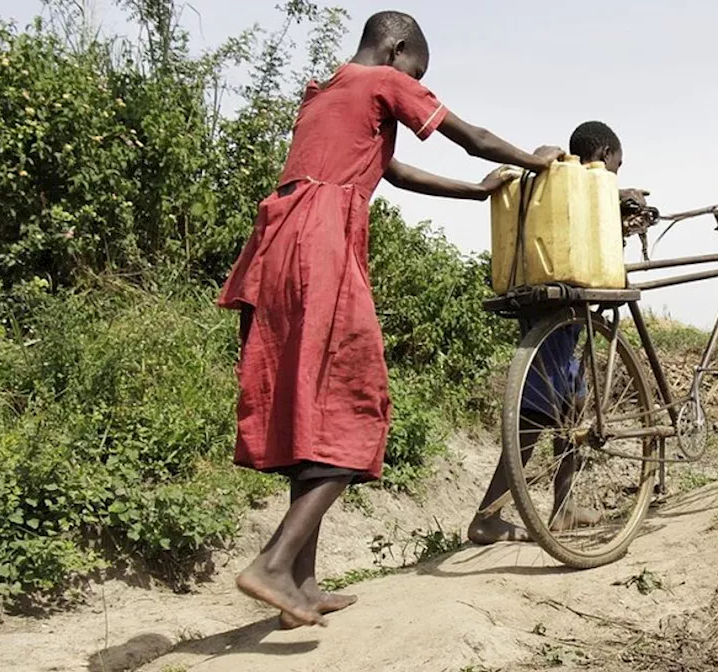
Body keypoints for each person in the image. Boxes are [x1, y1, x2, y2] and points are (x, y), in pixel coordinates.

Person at [217, 10, 564, 628]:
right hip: (320, 243)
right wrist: (537, 164)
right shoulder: (383, 81)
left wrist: (477, 192)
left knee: (310, 408)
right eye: (418, 70)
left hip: (276, 246)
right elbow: (472, 136)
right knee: (359, 402)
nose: (416, 81)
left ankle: (301, 581)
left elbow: (392, 172)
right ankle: (272, 564)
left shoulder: (326, 93)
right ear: (399, 49)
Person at [467, 120, 648, 545]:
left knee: (574, 400)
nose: (614, 176)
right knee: (537, 412)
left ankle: (564, 505)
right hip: (556, 306)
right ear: (604, 155)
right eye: (615, 167)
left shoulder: (569, 190)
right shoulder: (563, 177)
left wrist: (617, 200)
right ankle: (486, 518)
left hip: (556, 305)